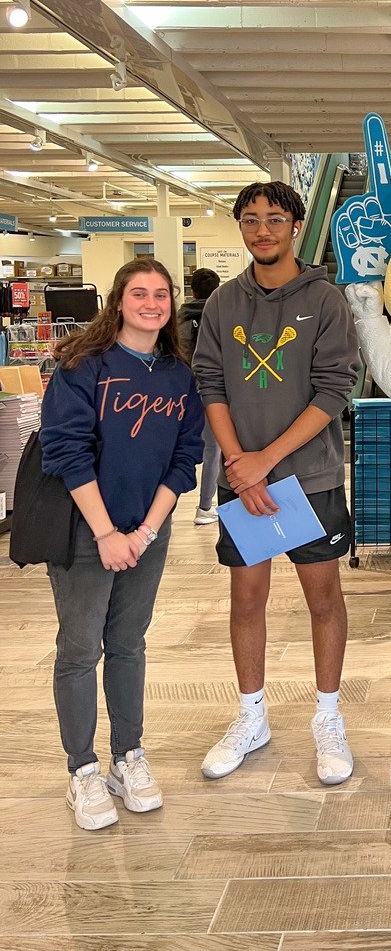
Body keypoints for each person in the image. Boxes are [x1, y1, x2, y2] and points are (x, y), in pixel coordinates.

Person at [193, 180, 360, 785]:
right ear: (240, 227)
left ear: (294, 225)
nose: (262, 230)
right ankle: (251, 716)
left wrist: (267, 459)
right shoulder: (222, 305)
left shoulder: (326, 300)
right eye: (250, 220)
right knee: (246, 599)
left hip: (308, 479)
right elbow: (209, 383)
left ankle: (327, 716)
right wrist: (240, 463)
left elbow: (334, 388)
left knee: (323, 599)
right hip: (244, 479)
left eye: (273, 219)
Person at [40, 257, 204, 830]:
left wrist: (147, 532)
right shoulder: (83, 366)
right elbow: (65, 452)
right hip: (88, 534)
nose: (152, 303)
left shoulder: (178, 377)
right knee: (81, 649)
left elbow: (185, 460)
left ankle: (127, 755)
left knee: (129, 644)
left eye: (162, 294)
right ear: (118, 301)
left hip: (146, 534)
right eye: (140, 293)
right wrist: (107, 533)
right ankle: (81, 769)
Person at [179, 267, 222, 524]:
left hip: (179, 390)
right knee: (213, 449)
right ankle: (205, 507)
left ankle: (162, 507)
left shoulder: (177, 318)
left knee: (172, 446)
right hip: (211, 389)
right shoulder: (221, 315)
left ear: (192, 290)